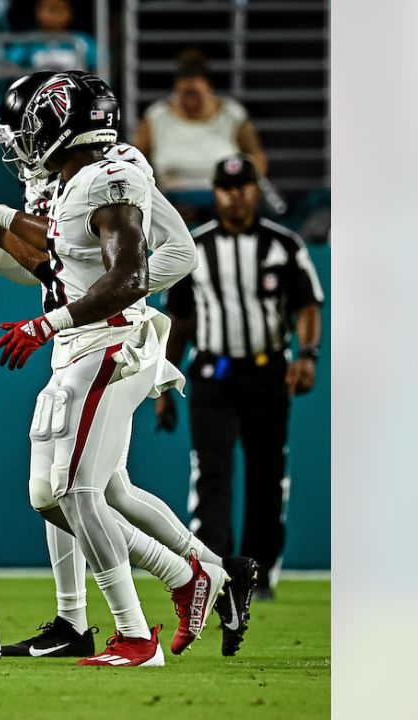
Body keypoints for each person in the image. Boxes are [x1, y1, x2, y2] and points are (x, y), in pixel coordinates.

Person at [0, 70, 258, 659]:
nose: (21, 144)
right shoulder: (78, 177)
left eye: (28, 130)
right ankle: (201, 575)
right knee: (82, 490)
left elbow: (159, 259)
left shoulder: (112, 175)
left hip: (103, 341)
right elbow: (53, 264)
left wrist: (85, 311)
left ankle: (141, 622)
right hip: (83, 338)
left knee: (73, 490)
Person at [159, 154, 324, 601]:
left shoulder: (283, 245)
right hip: (213, 371)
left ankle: (260, 570)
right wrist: (164, 380)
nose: (236, 196)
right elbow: (181, 319)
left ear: (256, 190)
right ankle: (217, 570)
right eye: (227, 188)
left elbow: (307, 305)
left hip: (266, 369)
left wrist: (307, 356)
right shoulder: (196, 248)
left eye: (244, 187)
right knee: (211, 473)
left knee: (267, 474)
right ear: (217, 192)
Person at [133, 50, 267, 193]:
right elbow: (135, 160)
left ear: (210, 91)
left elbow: (257, 158)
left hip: (224, 198)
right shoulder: (156, 116)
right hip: (171, 198)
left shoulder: (232, 115)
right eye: (185, 94)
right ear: (175, 91)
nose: (190, 102)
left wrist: (244, 192)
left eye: (195, 94)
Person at [4, 0, 98, 73]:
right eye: (50, 8)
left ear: (70, 12)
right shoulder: (29, 41)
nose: (54, 14)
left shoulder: (82, 40)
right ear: (38, 11)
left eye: (60, 8)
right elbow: (10, 64)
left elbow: (101, 65)